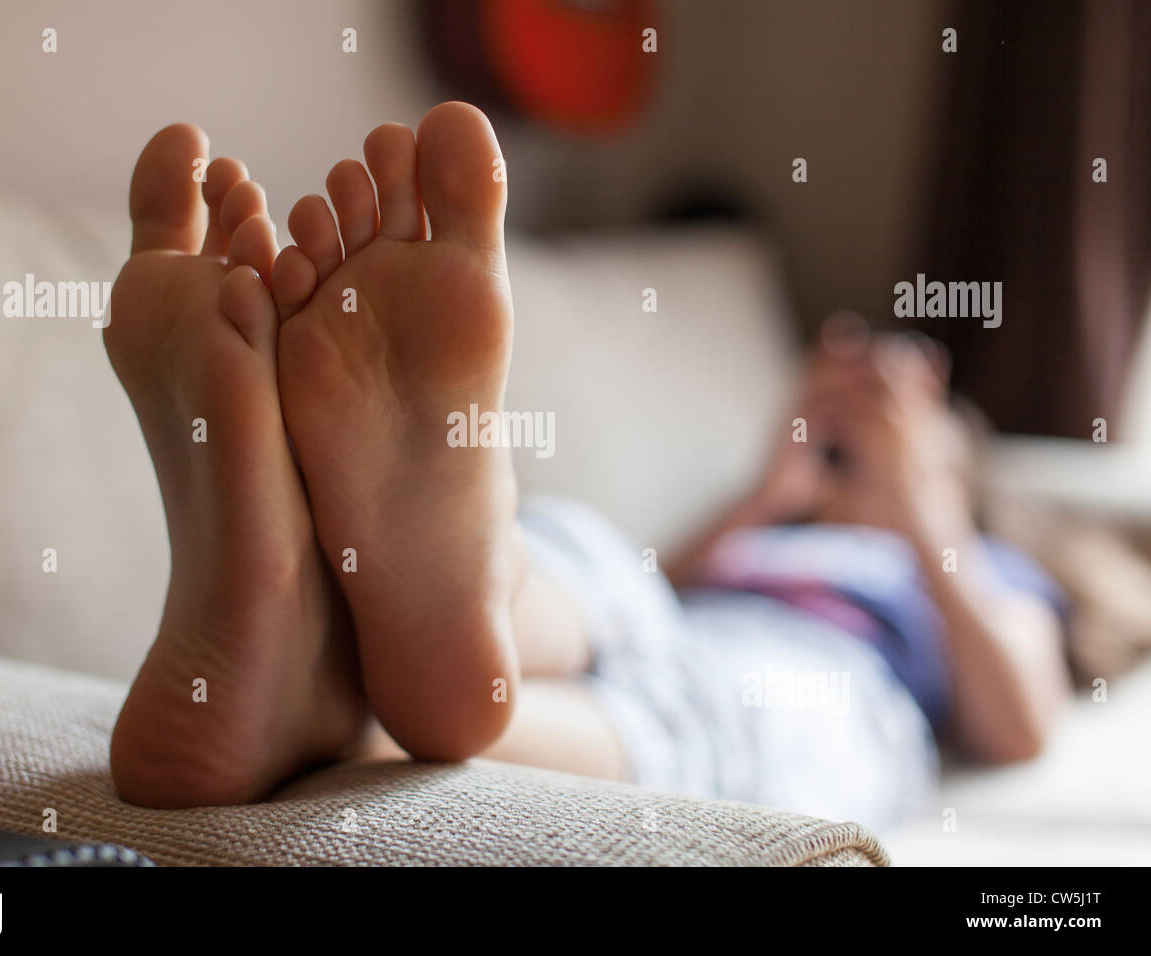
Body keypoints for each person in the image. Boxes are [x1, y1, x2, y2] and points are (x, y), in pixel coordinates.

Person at [103, 102, 1070, 825]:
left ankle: (327, 702)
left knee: (691, 717)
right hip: (677, 615)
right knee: (592, 560)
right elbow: (661, 594)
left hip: (819, 679)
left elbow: (1021, 719)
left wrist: (923, 516)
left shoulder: (978, 570)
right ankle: (456, 588)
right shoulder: (774, 528)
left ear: (965, 473)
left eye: (909, 429)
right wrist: (768, 495)